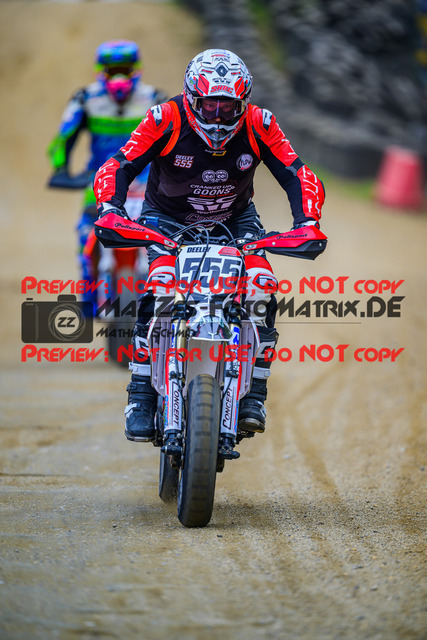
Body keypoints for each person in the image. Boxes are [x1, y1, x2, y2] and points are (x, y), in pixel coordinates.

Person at [94, 48, 325, 448]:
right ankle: (141, 394)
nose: (218, 117)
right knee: (160, 286)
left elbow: (298, 173)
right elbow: (119, 165)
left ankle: (254, 393)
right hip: (167, 220)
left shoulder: (260, 123)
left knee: (262, 285)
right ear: (191, 98)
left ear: (244, 102)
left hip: (236, 221)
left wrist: (308, 223)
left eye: (228, 107)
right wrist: (110, 209)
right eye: (209, 106)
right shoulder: (164, 118)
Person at [47, 40, 168, 308]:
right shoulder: (85, 99)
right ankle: (90, 301)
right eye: (113, 71)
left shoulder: (156, 100)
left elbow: (177, 139)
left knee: (167, 235)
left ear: (136, 69)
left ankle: (170, 299)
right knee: (86, 235)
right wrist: (61, 168)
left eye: (124, 69)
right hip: (99, 183)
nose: (119, 77)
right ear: (101, 71)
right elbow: (61, 140)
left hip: (147, 183)